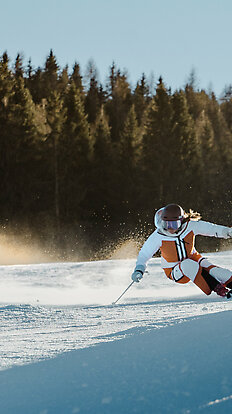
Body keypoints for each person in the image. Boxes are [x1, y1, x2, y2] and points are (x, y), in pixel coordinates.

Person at [131, 204, 232, 297]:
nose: (170, 228)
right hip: (174, 270)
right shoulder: (158, 236)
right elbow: (144, 254)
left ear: (181, 221)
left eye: (174, 225)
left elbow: (211, 229)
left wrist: (228, 232)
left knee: (219, 273)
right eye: (167, 225)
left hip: (195, 260)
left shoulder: (190, 226)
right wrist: (139, 269)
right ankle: (219, 289)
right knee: (187, 264)